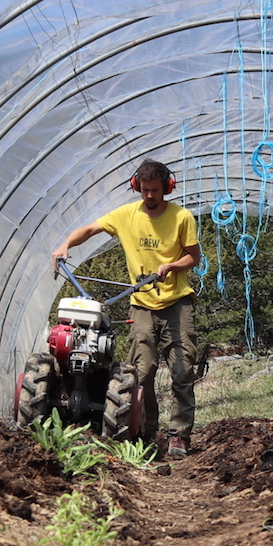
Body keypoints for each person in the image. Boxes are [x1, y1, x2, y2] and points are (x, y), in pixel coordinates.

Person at [50, 159, 203, 458]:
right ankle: (148, 432)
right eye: (145, 190)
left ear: (167, 187)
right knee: (141, 373)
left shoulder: (181, 217)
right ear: (137, 187)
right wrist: (66, 244)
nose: (150, 195)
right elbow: (91, 229)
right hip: (142, 304)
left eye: (155, 190)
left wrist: (172, 266)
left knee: (182, 371)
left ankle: (179, 435)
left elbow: (194, 257)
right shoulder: (126, 215)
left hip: (177, 303)